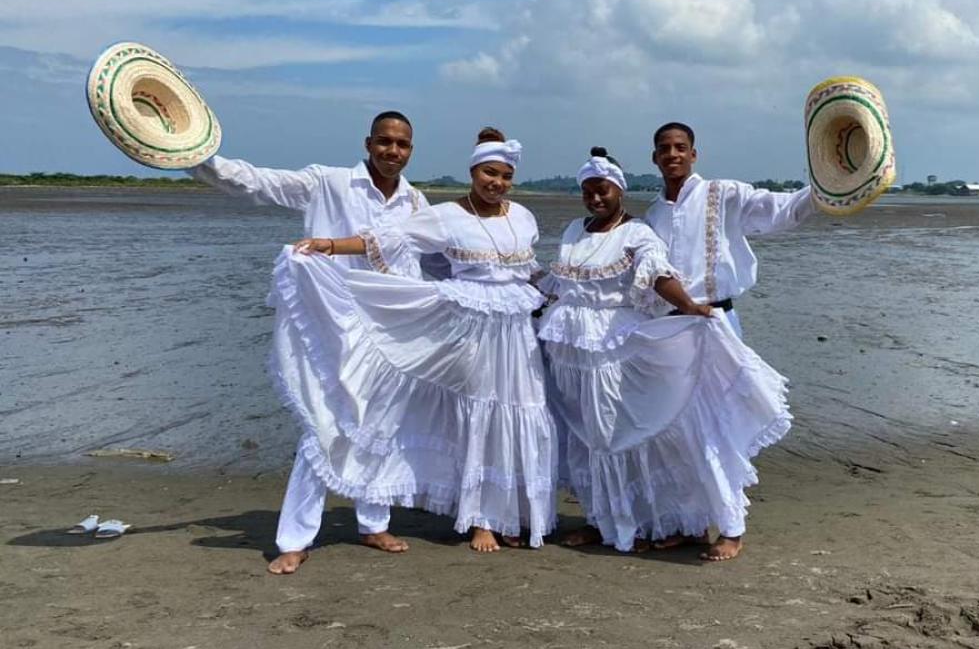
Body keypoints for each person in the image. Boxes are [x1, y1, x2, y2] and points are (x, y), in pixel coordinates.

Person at [277, 128, 557, 553]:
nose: (495, 182)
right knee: (480, 416)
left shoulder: (523, 217)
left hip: (516, 331)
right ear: (473, 171)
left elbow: (528, 269)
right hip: (470, 330)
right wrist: (330, 245)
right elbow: (389, 241)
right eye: (488, 173)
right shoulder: (445, 214)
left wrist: (569, 290)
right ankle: (481, 520)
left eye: (503, 175)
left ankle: (510, 514)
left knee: (521, 412)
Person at [190, 111, 426, 574]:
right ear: (368, 143)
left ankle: (373, 522)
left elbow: (427, 261)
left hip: (383, 334)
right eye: (384, 142)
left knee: (380, 425)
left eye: (401, 144)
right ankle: (295, 539)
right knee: (321, 429)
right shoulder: (329, 183)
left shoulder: (415, 203)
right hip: (330, 328)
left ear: (410, 150)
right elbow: (257, 183)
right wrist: (196, 158)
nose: (392, 151)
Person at [538, 149, 793, 558]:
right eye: (587, 191)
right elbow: (554, 283)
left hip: (613, 349)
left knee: (644, 434)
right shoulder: (573, 230)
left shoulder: (638, 232)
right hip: (572, 352)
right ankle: (602, 519)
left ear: (619, 190)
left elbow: (658, 274)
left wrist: (691, 308)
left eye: (602, 189)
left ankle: (701, 524)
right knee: (587, 439)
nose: (595, 198)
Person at [643, 122, 814, 560]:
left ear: (694, 154)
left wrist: (825, 187)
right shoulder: (653, 215)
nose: (673, 155)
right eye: (665, 149)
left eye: (681, 147)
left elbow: (781, 211)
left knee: (719, 424)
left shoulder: (723, 194)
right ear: (655, 158)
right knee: (676, 429)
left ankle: (732, 528)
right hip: (670, 328)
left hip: (716, 322)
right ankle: (692, 522)